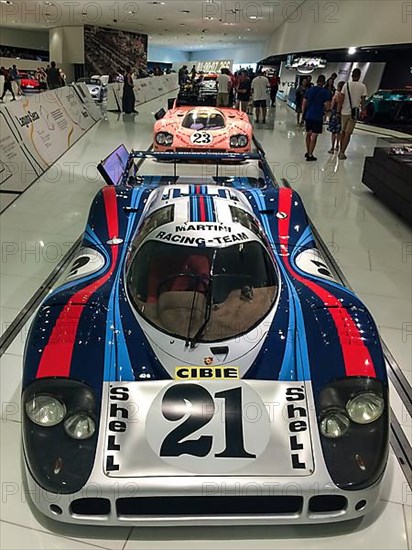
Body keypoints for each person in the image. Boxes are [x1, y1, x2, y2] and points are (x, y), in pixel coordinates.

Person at [301, 74, 332, 161]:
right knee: (314, 135)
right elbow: (327, 105)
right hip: (317, 116)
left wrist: (303, 114)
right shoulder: (325, 92)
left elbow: (304, 103)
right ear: (324, 82)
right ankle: (310, 154)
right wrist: (327, 112)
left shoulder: (310, 90)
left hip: (308, 115)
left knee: (308, 134)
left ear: (317, 81)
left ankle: (308, 151)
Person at [339, 68, 367, 159]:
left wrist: (338, 110)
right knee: (348, 134)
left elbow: (341, 98)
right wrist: (363, 110)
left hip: (344, 112)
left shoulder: (346, 85)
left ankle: (340, 149)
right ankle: (342, 152)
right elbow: (363, 101)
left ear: (351, 75)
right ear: (359, 76)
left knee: (342, 132)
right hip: (354, 113)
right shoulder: (362, 86)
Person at [327, 80, 345, 153]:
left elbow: (332, 105)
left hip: (335, 114)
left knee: (333, 132)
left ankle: (332, 147)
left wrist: (330, 110)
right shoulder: (344, 96)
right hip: (342, 114)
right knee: (339, 132)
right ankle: (338, 145)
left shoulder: (337, 95)